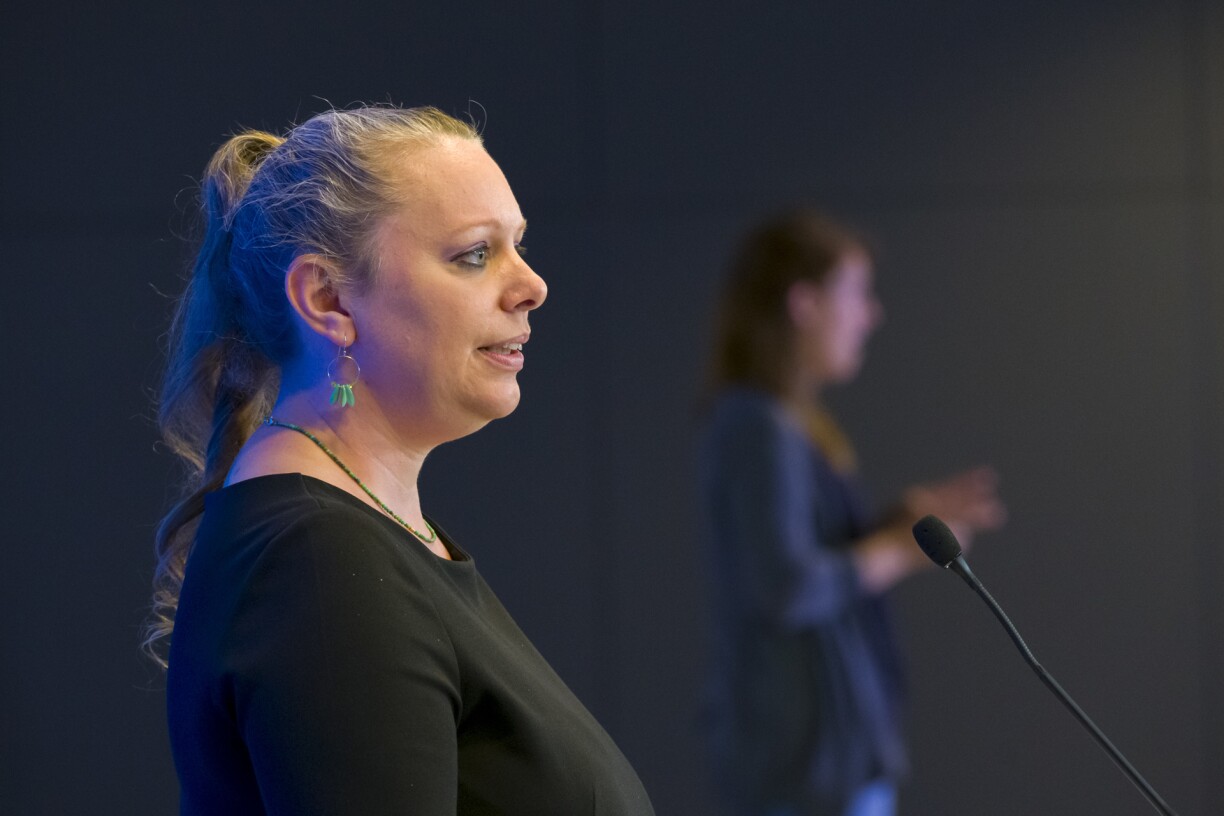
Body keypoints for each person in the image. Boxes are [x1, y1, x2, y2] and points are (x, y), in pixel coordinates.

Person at [144, 105, 655, 816]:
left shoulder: (354, 538)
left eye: (520, 245)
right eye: (475, 254)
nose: (532, 285)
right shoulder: (317, 561)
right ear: (327, 299)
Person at [698, 210, 1005, 816]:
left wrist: (896, 523)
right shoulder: (759, 426)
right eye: (857, 293)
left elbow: (809, 558)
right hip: (804, 771)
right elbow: (786, 586)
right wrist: (896, 551)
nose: (871, 315)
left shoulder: (783, 424)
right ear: (804, 303)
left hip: (821, 767)